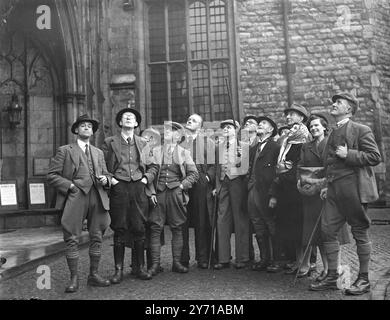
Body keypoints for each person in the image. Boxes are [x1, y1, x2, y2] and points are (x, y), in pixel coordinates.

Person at [310, 92, 381, 295]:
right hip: (333, 190)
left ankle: (364, 279)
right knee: (327, 230)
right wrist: (326, 184)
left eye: (338, 102)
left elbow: (374, 156)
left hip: (354, 190)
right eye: (334, 102)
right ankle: (333, 276)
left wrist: (348, 154)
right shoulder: (333, 132)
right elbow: (329, 163)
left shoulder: (361, 129)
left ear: (349, 108)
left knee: (359, 231)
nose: (333, 104)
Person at [47, 114, 111, 293]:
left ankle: (94, 275)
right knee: (71, 238)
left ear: (93, 131)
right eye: (82, 125)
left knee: (97, 235)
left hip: (97, 195)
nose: (86, 128)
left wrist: (106, 180)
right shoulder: (65, 150)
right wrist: (70, 186)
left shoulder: (98, 152)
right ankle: (73, 278)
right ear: (76, 130)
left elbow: (107, 174)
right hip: (76, 196)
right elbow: (51, 176)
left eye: (89, 126)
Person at [102, 107, 159, 283]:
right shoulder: (109, 142)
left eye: (131, 117)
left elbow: (154, 167)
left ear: (136, 124)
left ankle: (140, 268)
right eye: (125, 117)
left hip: (138, 187)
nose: (128, 118)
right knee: (119, 228)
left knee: (139, 227)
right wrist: (111, 180)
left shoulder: (143, 143)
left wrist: (144, 180)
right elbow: (101, 165)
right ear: (120, 123)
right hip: (119, 188)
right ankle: (118, 271)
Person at [296, 114, 350, 279]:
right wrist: (301, 181)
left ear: (324, 127)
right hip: (312, 195)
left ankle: (335, 269)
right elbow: (300, 165)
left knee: (331, 233)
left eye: (317, 126)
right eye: (311, 126)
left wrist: (326, 184)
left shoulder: (332, 142)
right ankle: (326, 270)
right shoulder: (306, 146)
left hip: (329, 193)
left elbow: (337, 166)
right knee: (318, 235)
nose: (313, 129)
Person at [148, 121, 199, 275]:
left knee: (177, 228)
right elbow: (149, 172)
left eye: (171, 131)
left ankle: (177, 263)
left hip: (176, 193)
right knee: (156, 228)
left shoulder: (184, 153)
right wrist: (151, 192)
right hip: (159, 194)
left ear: (178, 136)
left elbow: (194, 174)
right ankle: (155, 265)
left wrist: (182, 187)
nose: (167, 133)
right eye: (166, 131)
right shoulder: (155, 151)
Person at [268, 104, 310, 273]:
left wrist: (284, 171)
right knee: (289, 226)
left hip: (297, 189)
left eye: (292, 114)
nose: (288, 117)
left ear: (301, 118)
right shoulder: (288, 140)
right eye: (287, 115)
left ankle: (305, 262)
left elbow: (299, 165)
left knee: (300, 226)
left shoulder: (303, 139)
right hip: (285, 188)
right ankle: (296, 260)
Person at [214, 119, 250, 270]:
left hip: (237, 183)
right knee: (222, 219)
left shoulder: (244, 147)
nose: (226, 129)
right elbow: (217, 169)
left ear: (236, 129)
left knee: (240, 219)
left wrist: (241, 158)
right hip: (223, 183)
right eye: (224, 127)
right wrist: (217, 186)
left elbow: (247, 170)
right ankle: (223, 258)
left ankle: (242, 257)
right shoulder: (218, 147)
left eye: (229, 127)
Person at [181, 114, 216, 269]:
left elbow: (215, 164)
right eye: (189, 119)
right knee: (182, 220)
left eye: (194, 120)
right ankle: (182, 258)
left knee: (202, 220)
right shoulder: (179, 142)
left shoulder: (208, 143)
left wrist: (208, 178)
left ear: (200, 127)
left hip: (201, 183)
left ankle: (203, 257)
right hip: (183, 183)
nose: (190, 121)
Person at [247, 115, 280, 271]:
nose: (260, 124)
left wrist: (274, 194)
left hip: (266, 192)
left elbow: (277, 172)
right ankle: (264, 259)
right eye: (259, 123)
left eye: (264, 123)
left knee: (271, 224)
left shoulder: (275, 147)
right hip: (252, 191)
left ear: (271, 129)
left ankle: (276, 260)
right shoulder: (253, 149)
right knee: (257, 225)